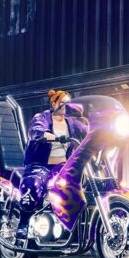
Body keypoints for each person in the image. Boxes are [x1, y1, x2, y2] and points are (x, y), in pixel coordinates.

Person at [16, 89, 87, 238]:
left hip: (62, 166)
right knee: (33, 186)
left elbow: (87, 130)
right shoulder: (42, 117)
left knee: (77, 183)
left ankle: (70, 225)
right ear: (54, 103)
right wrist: (45, 134)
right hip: (40, 165)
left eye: (68, 104)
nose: (65, 106)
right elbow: (35, 130)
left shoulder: (72, 122)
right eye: (62, 103)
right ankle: (23, 223)